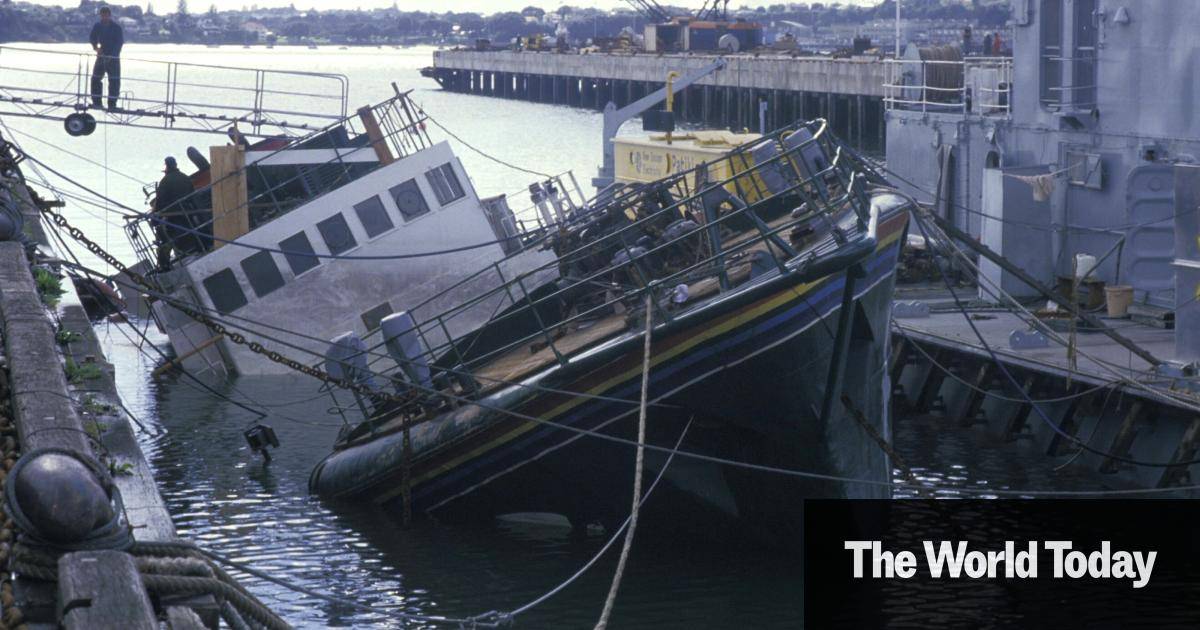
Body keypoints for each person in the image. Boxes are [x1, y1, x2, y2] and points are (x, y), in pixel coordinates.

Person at [152, 157, 196, 270]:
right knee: (190, 233)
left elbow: (160, 201)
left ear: (166, 165)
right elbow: (193, 194)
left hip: (174, 216)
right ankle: (200, 246)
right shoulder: (185, 178)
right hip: (189, 214)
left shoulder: (165, 181)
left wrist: (154, 217)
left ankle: (164, 265)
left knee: (166, 239)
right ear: (176, 164)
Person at [89, 7, 124, 110]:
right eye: (102, 15)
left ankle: (112, 104)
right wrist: (96, 48)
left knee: (114, 81)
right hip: (101, 55)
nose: (104, 17)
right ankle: (97, 102)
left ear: (109, 15)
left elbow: (119, 43)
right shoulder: (97, 25)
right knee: (95, 78)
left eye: (106, 15)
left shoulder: (117, 27)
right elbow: (92, 38)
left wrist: (112, 55)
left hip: (113, 58)